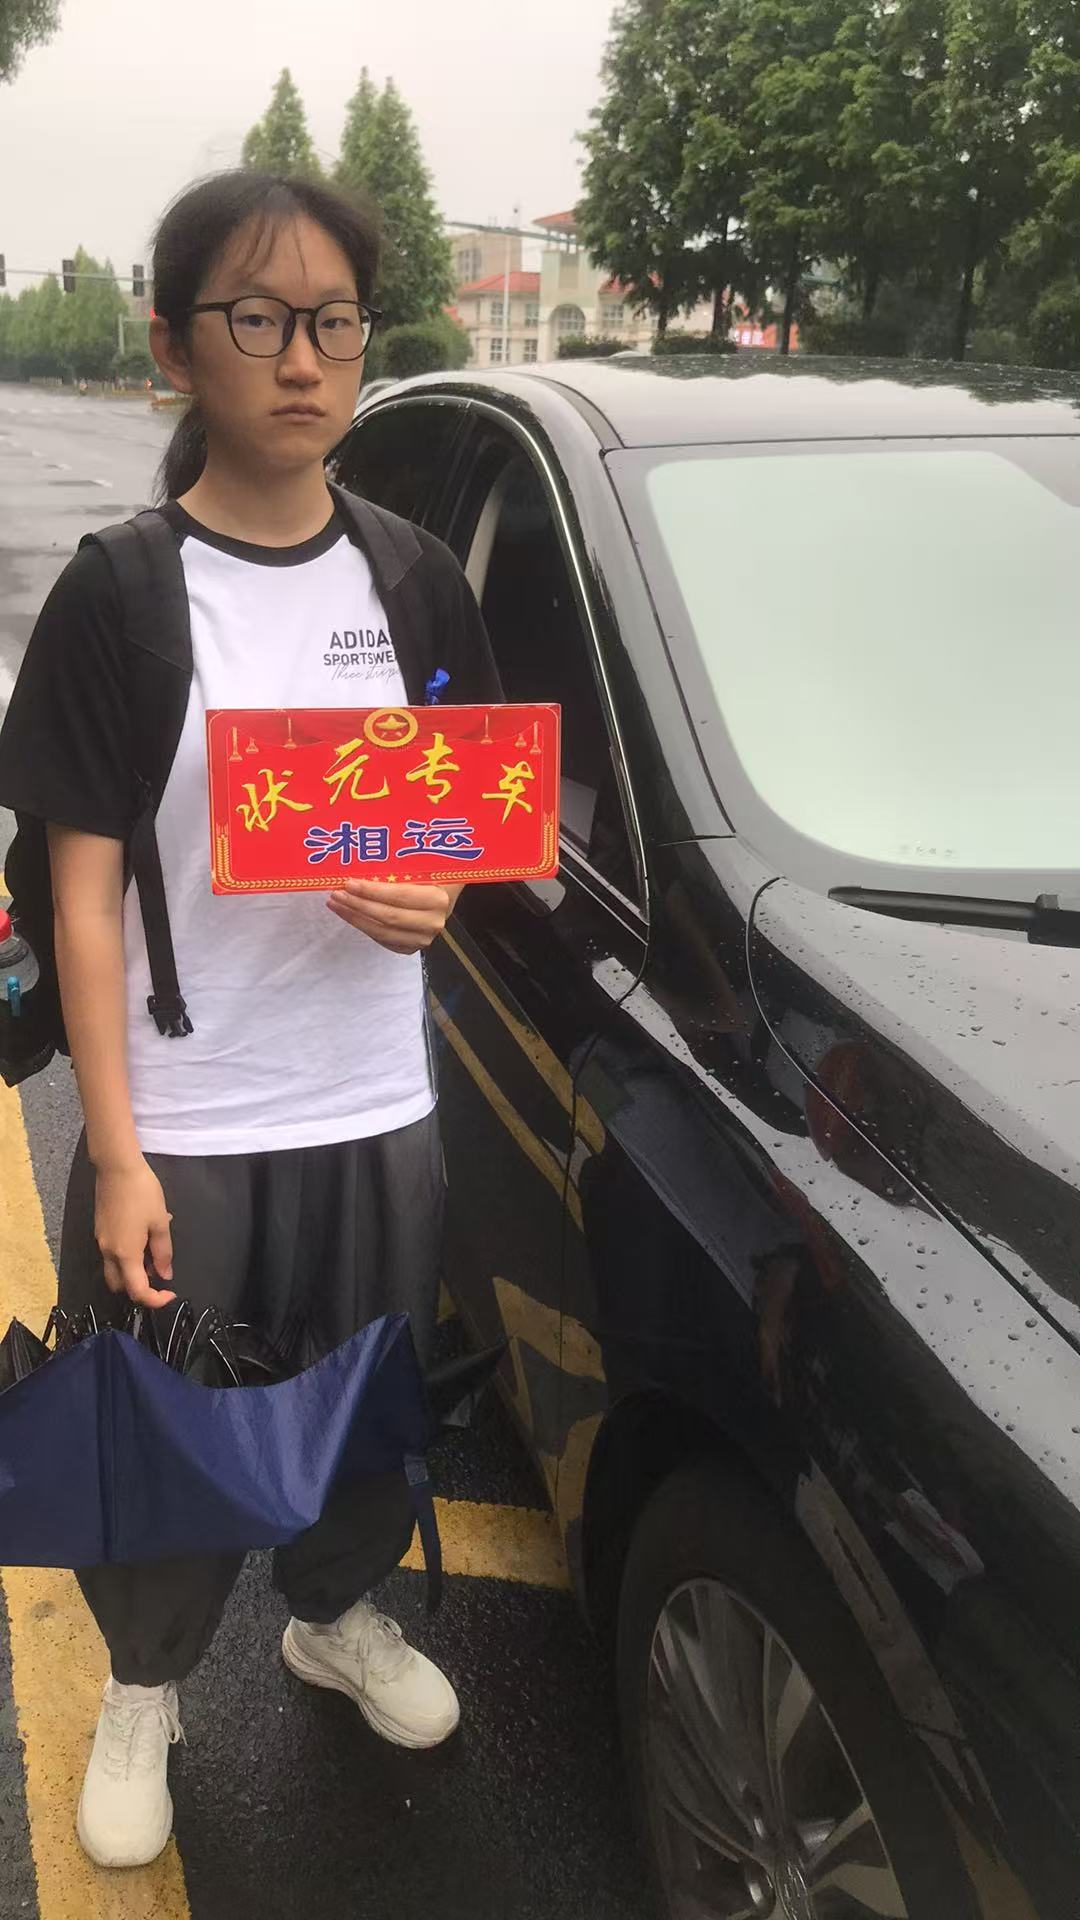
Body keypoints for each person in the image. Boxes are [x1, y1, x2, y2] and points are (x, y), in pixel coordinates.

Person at [0, 171, 500, 1870]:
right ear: (175, 348)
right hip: (192, 1116)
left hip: (371, 1095)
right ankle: (146, 1682)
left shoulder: (412, 581)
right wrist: (117, 1152)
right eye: (261, 319)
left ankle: (333, 1614)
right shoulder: (123, 597)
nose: (304, 360)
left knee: (363, 1392)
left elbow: (466, 813)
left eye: (336, 322)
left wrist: (439, 886)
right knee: (169, 1419)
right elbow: (81, 897)